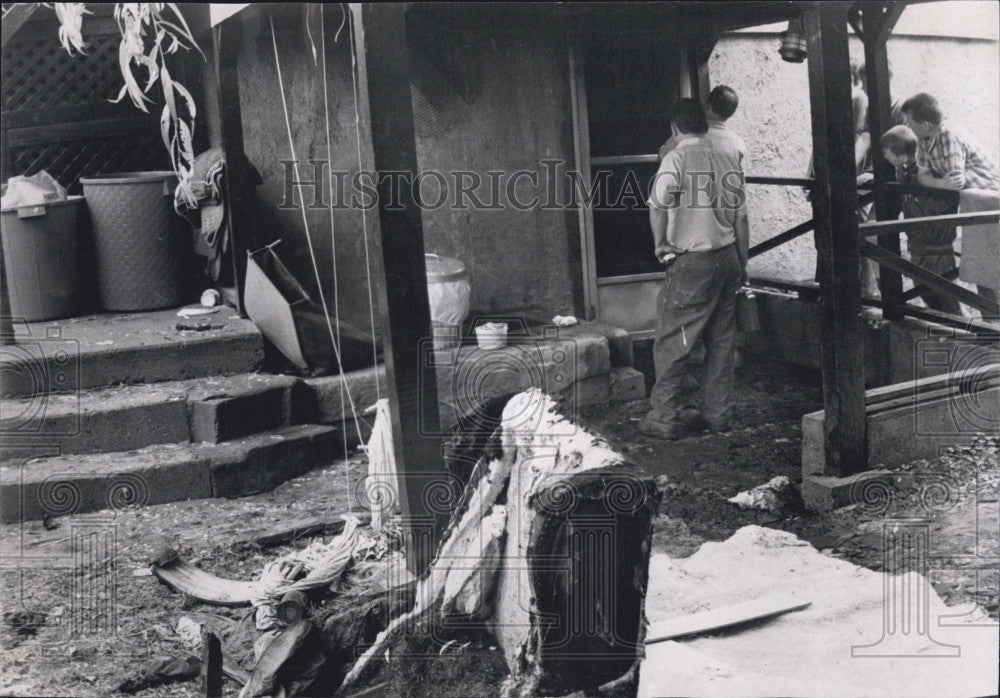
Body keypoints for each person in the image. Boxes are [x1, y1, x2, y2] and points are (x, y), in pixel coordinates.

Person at [641, 98, 748, 440]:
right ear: (705, 125)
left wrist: (661, 245)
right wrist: (742, 262)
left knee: (674, 340)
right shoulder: (727, 155)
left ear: (674, 128)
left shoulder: (677, 157)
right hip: (727, 256)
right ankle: (717, 416)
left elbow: (658, 206)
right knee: (722, 340)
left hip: (693, 262)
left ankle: (663, 418)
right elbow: (742, 217)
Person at [900, 93, 1000, 306]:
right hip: (974, 206)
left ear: (925, 124)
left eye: (909, 121)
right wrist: (940, 184)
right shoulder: (926, 139)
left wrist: (942, 182)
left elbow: (956, 181)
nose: (907, 126)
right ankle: (991, 324)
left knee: (992, 270)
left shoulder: (948, 135)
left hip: (991, 203)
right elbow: (923, 174)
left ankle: (993, 325)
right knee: (983, 269)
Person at [880, 125, 963, 315]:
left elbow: (942, 205)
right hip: (918, 246)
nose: (885, 159)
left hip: (937, 248)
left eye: (887, 155)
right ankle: (945, 330)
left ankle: (963, 333)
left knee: (947, 297)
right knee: (925, 291)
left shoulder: (927, 175)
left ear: (901, 158)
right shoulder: (906, 174)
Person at [658, 85, 745, 162]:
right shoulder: (738, 143)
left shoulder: (686, 135)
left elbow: (664, 156)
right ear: (731, 113)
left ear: (707, 106)